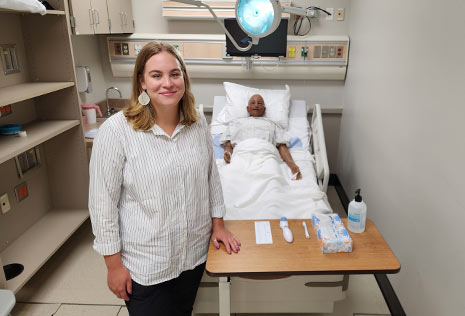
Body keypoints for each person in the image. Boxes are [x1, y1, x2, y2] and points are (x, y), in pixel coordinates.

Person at [88, 41, 241, 316]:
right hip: (145, 265)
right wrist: (113, 266)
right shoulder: (116, 132)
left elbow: (211, 177)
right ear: (142, 82)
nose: (167, 83)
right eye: (156, 75)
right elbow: (102, 205)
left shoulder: (197, 123)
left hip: (192, 256)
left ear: (184, 77)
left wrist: (218, 224)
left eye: (174, 73)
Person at [221, 94, 302, 180]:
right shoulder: (235, 123)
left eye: (259, 103)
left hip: (266, 156)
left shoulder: (273, 124)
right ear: (247, 108)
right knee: (234, 178)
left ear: (264, 109)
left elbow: (282, 146)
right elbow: (229, 145)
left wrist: (292, 165)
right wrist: (228, 154)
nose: (256, 105)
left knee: (271, 178)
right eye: (253, 103)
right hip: (242, 155)